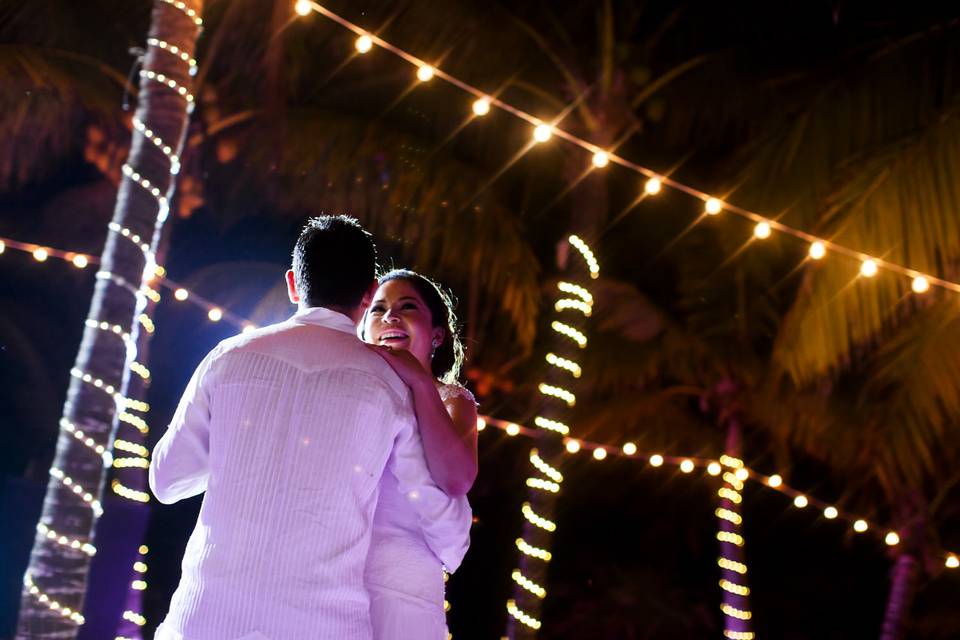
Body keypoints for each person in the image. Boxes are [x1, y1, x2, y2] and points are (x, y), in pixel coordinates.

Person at [148, 216, 471, 640]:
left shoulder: (228, 357)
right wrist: (452, 547)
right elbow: (439, 513)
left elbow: (167, 480)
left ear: (293, 285)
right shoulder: (386, 384)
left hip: (206, 618)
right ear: (369, 293)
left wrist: (244, 449)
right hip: (322, 624)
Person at [361, 269, 479, 640]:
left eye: (406, 306)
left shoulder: (454, 401)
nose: (390, 317)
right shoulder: (353, 390)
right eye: (377, 310)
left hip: (407, 581)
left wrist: (418, 382)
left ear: (437, 335)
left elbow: (456, 479)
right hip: (338, 572)